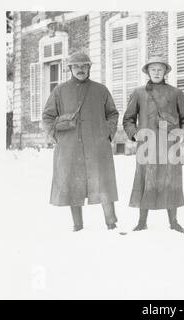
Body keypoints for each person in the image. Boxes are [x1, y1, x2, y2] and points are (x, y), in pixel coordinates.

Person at [42, 52, 119, 232]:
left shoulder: (101, 90)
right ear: (70, 69)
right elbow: (47, 117)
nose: (80, 70)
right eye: (76, 66)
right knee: (72, 183)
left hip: (97, 145)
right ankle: (78, 226)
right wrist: (56, 136)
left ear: (89, 68)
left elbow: (112, 114)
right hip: (70, 146)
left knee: (103, 182)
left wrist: (107, 133)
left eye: (84, 66)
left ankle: (111, 223)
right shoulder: (59, 91)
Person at [123, 56, 184, 234]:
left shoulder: (176, 93)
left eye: (159, 69)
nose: (156, 72)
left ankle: (174, 222)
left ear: (165, 72)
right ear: (147, 72)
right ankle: (142, 221)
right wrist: (134, 132)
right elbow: (128, 119)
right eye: (153, 69)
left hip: (170, 144)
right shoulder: (139, 93)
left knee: (171, 180)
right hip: (147, 144)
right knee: (145, 179)